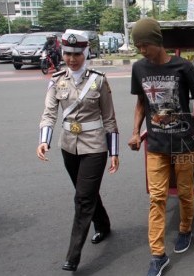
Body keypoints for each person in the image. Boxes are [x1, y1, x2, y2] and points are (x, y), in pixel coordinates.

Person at [127, 18, 194, 276]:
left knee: (185, 193)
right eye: (138, 45)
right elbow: (141, 105)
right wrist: (135, 132)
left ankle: (185, 229)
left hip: (184, 144)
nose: (142, 49)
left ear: (158, 42)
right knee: (156, 198)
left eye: (145, 44)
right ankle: (157, 255)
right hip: (156, 145)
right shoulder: (139, 69)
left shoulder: (184, 67)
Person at [36, 32, 119, 272]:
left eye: (76, 54)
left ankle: (73, 256)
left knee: (82, 198)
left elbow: (110, 119)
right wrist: (44, 140)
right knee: (86, 192)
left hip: (94, 146)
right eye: (68, 54)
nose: (72, 59)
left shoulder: (99, 81)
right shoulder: (57, 79)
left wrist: (114, 152)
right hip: (68, 146)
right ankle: (103, 225)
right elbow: (49, 113)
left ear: (85, 54)